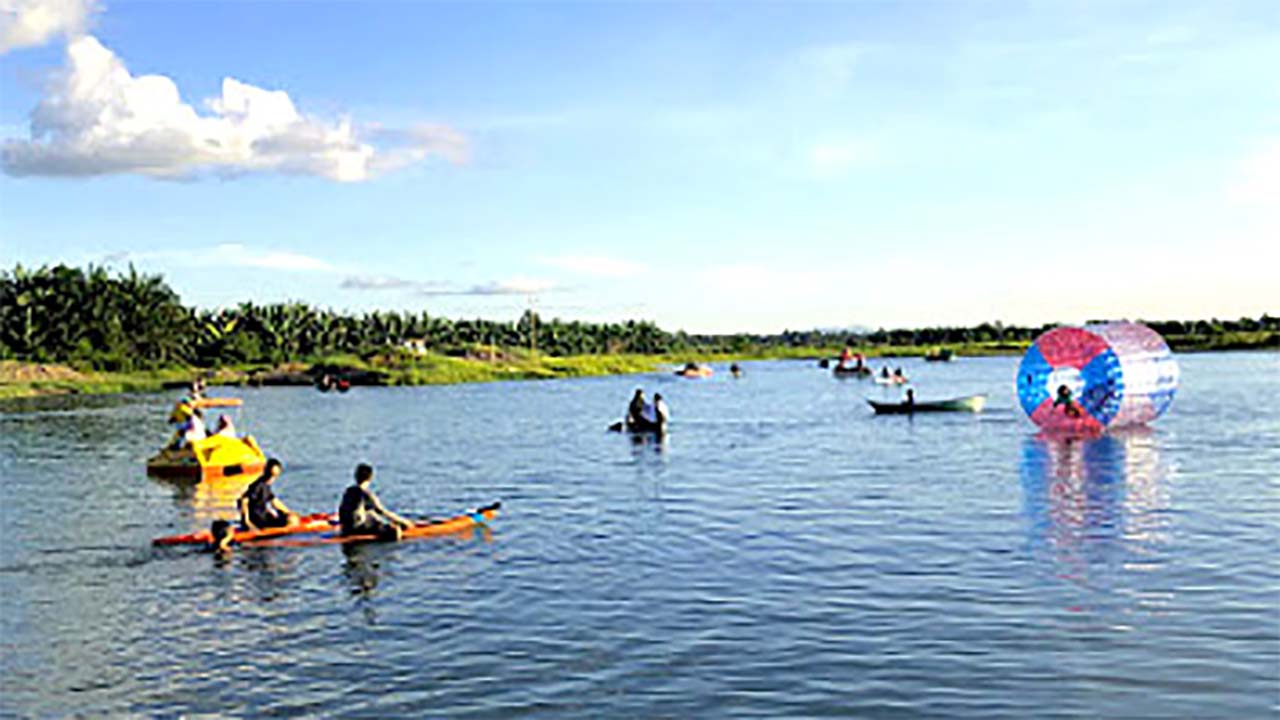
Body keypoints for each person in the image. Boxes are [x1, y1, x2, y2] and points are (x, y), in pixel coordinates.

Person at [339, 464, 412, 541]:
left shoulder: (349, 491)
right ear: (370, 477)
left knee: (371, 512)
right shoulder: (365, 493)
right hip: (357, 529)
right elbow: (381, 511)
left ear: (356, 476)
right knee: (395, 530)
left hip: (345, 528)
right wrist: (403, 522)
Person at [238, 459, 298, 531]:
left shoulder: (266, 485)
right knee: (292, 520)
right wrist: (246, 521)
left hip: (264, 516)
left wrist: (288, 512)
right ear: (265, 471)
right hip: (258, 520)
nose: (271, 478)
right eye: (270, 474)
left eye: (274, 476)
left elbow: (274, 501)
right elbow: (244, 500)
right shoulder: (258, 486)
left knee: (292, 517)